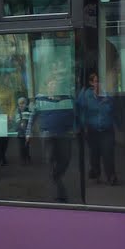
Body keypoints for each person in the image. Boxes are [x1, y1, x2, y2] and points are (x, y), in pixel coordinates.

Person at [34, 72, 76, 202]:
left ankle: (55, 176)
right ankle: (59, 192)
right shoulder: (40, 100)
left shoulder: (67, 98)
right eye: (51, 84)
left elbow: (74, 115)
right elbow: (32, 115)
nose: (53, 86)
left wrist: (74, 129)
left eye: (56, 84)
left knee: (65, 159)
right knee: (50, 159)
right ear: (47, 86)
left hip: (64, 134)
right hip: (47, 135)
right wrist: (28, 132)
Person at [77, 70, 118, 185]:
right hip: (92, 130)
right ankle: (96, 172)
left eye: (100, 81)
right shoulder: (85, 95)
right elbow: (80, 110)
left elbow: (115, 111)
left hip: (107, 129)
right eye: (96, 81)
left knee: (108, 153)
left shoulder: (109, 96)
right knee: (94, 153)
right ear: (91, 83)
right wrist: (82, 125)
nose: (98, 84)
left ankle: (111, 176)